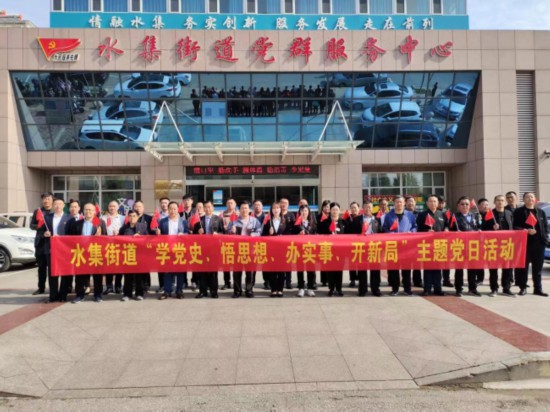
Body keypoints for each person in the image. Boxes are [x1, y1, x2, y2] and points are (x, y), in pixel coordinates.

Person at [68, 203, 107, 303]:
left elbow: (105, 238)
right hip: (81, 252)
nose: (88, 211)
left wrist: (100, 237)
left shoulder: (100, 222)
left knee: (97, 275)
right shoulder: (77, 223)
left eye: (90, 210)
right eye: (86, 209)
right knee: (80, 275)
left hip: (95, 251)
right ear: (83, 211)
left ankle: (98, 295)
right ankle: (79, 295)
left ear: (94, 211)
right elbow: (71, 239)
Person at [513, 192, 549, 297]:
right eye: (527, 197)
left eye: (532, 197)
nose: (530, 199)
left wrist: (545, 237)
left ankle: (538, 289)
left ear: (535, 199)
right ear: (524, 199)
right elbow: (515, 226)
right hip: (525, 243)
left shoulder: (541, 212)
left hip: (539, 244)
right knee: (524, 268)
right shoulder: (519, 212)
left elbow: (545, 226)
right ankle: (523, 288)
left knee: (537, 268)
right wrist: (525, 230)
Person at [382, 195, 417, 296]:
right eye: (397, 202)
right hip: (393, 246)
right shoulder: (389, 215)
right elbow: (385, 228)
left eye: (401, 202)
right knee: (393, 269)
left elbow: (414, 227)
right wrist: (392, 234)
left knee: (406, 269)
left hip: (406, 246)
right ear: (394, 203)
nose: (399, 204)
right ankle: (395, 288)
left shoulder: (409, 215)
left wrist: (412, 232)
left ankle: (407, 288)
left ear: (404, 203)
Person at [227, 201, 262, 298]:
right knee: (237, 272)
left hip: (251, 250)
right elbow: (228, 234)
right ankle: (237, 291)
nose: (244, 210)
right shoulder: (234, 221)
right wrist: (232, 231)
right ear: (239, 210)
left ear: (249, 210)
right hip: (237, 250)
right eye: (242, 208)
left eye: (246, 208)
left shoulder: (254, 221)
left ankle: (249, 290)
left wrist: (252, 235)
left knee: (250, 272)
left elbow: (260, 232)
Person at [482, 195, 515, 297]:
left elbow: (513, 228)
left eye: (502, 200)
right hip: (494, 245)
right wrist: (492, 228)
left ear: (505, 202)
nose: (500, 202)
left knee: (507, 267)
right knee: (493, 268)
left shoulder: (509, 213)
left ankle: (506, 288)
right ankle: (494, 289)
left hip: (507, 244)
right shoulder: (489, 214)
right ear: (494, 202)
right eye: (498, 200)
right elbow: (483, 229)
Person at [450, 196, 483, 297]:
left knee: (472, 268)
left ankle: (472, 288)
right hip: (459, 246)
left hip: (472, 246)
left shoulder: (475, 216)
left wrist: (479, 230)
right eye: (462, 204)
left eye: (467, 204)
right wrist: (455, 232)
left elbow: (479, 227)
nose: (465, 206)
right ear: (458, 206)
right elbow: (449, 230)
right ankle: (458, 289)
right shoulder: (454, 217)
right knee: (459, 269)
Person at [157, 201, 189, 300]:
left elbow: (188, 233)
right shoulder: (163, 221)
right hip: (167, 250)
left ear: (178, 210)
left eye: (175, 209)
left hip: (180, 249)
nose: (173, 211)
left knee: (180, 272)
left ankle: (179, 291)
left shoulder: (183, 221)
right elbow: (160, 235)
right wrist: (158, 233)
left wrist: (183, 234)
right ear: (168, 209)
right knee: (167, 272)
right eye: (171, 208)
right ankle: (167, 291)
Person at [416, 195, 445, 296]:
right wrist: (426, 231)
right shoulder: (422, 215)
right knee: (427, 268)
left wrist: (446, 229)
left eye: (435, 201)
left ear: (438, 203)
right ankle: (427, 288)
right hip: (427, 245)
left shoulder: (442, 214)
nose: (433, 203)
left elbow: (446, 226)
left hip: (439, 245)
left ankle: (438, 288)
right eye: (431, 201)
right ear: (427, 203)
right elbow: (418, 229)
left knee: (438, 268)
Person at [193, 201, 223, 299]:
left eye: (209, 207)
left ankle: (214, 291)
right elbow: (193, 236)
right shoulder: (199, 220)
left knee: (213, 271)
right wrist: (198, 232)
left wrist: (218, 234)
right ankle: (203, 291)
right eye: (205, 207)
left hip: (214, 248)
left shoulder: (218, 219)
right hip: (202, 249)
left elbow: (223, 232)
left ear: (213, 208)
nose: (207, 209)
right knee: (202, 271)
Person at [43, 198, 71, 303]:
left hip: (64, 250)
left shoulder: (69, 218)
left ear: (64, 205)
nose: (58, 206)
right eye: (55, 204)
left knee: (65, 273)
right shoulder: (47, 217)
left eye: (60, 204)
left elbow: (72, 234)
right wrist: (45, 234)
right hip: (51, 249)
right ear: (53, 205)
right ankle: (53, 295)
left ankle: (63, 295)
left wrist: (61, 238)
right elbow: (41, 232)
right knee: (52, 273)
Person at [119, 210, 149, 301]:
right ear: (128, 217)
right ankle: (127, 294)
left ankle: (139, 293)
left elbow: (148, 239)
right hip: (128, 254)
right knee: (128, 276)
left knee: (139, 276)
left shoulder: (143, 227)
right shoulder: (124, 228)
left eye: (134, 216)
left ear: (138, 217)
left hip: (140, 255)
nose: (132, 218)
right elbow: (119, 240)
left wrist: (141, 238)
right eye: (130, 216)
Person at [317, 202, 346, 297]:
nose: (335, 211)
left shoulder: (343, 222)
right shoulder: (324, 223)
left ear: (339, 211)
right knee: (330, 270)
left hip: (340, 250)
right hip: (329, 249)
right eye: (333, 209)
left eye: (337, 209)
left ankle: (339, 289)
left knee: (339, 270)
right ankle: (331, 289)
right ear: (330, 211)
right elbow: (319, 235)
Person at [262, 202, 289, 297]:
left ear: (280, 210)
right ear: (271, 210)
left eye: (277, 208)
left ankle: (280, 289)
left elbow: (289, 234)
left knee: (281, 271)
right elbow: (263, 236)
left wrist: (283, 237)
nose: (276, 210)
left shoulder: (285, 221)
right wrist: (269, 234)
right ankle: (273, 289)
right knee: (272, 270)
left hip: (282, 249)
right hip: (271, 250)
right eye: (274, 208)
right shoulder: (268, 221)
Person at [30, 192, 53, 296]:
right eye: (44, 199)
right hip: (40, 243)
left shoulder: (55, 210)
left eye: (48, 198)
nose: (46, 201)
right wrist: (39, 226)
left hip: (52, 244)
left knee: (53, 268)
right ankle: (41, 288)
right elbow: (32, 225)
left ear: (52, 200)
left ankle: (53, 288)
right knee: (41, 268)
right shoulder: (38, 211)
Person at [292, 204, 317, 297]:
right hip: (299, 249)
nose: (304, 212)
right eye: (302, 211)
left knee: (311, 270)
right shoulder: (296, 224)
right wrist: (298, 234)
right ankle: (301, 288)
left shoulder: (313, 223)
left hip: (310, 249)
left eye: (306, 211)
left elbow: (316, 235)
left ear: (308, 212)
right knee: (300, 269)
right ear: (299, 212)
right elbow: (292, 235)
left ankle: (310, 288)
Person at [358, 201, 382, 297]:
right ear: (363, 208)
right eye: (366, 207)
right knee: (362, 269)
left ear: (372, 209)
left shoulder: (377, 219)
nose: (368, 209)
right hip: (361, 247)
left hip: (374, 247)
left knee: (375, 269)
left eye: (370, 207)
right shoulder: (358, 219)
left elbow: (381, 232)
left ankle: (375, 289)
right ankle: (362, 289)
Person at [61, 199, 83, 299]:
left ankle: (82, 289)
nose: (73, 209)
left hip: (83, 250)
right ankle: (66, 290)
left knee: (81, 272)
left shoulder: (85, 218)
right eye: (71, 207)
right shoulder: (68, 220)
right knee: (68, 271)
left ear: (79, 208)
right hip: (71, 250)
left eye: (75, 207)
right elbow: (66, 235)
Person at [102, 200, 125, 294]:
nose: (112, 208)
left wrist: (119, 233)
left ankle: (118, 286)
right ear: (108, 207)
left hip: (119, 246)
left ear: (118, 207)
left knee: (119, 267)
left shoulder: (123, 218)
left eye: (114, 206)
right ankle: (109, 286)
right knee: (109, 267)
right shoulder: (103, 218)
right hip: (107, 245)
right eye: (110, 206)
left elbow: (126, 230)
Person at [134, 200, 154, 291]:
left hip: (146, 246)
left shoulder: (149, 218)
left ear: (143, 208)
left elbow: (152, 232)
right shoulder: (131, 217)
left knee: (146, 266)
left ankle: (146, 285)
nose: (138, 208)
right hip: (133, 247)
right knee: (134, 267)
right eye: (136, 206)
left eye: (140, 206)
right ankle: (135, 285)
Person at [343, 202, 362, 289]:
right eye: (352, 208)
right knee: (352, 263)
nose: (354, 209)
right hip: (350, 244)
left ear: (359, 208)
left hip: (361, 244)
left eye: (355, 207)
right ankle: (353, 280)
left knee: (360, 263)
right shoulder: (347, 219)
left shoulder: (362, 218)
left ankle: (361, 279)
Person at [221, 198, 238, 290]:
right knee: (226, 265)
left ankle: (236, 283)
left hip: (237, 243)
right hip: (226, 243)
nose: (230, 204)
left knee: (236, 264)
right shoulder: (222, 215)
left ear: (235, 204)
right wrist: (223, 227)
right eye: (228, 203)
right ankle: (227, 282)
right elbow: (218, 227)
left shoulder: (239, 214)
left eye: (232, 203)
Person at [405, 196, 422, 288]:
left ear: (415, 203)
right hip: (405, 242)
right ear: (405, 203)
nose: (410, 203)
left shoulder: (420, 214)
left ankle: (417, 281)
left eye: (412, 201)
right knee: (406, 263)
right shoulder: (403, 213)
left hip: (417, 241)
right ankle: (406, 281)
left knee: (417, 262)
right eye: (409, 201)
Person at [251, 199, 268, 290]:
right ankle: (251, 282)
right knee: (252, 264)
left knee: (265, 264)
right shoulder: (250, 217)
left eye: (259, 205)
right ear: (253, 207)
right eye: (256, 205)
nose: (257, 206)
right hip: (252, 244)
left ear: (262, 207)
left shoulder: (267, 217)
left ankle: (267, 282)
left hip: (265, 244)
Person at [437, 195, 454, 288]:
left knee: (446, 262)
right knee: (437, 262)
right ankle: (437, 280)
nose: (441, 204)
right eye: (440, 203)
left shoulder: (448, 212)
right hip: (436, 241)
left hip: (446, 240)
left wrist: (447, 228)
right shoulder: (435, 212)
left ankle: (446, 280)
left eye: (443, 203)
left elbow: (450, 224)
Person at [279, 197, 295, 290]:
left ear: (288, 205)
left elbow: (294, 228)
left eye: (286, 203)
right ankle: (280, 282)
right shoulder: (276, 214)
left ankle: (288, 282)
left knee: (289, 262)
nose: (284, 204)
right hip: (278, 243)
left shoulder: (291, 215)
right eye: (282, 202)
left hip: (289, 242)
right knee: (280, 263)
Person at [317, 199, 331, 286]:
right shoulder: (318, 217)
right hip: (321, 241)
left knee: (330, 261)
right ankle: (324, 280)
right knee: (323, 260)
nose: (326, 208)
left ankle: (330, 279)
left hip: (331, 242)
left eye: (328, 207)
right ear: (322, 207)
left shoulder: (332, 216)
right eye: (325, 206)